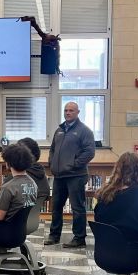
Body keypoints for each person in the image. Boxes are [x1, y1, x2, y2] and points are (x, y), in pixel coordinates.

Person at [44, 102, 95, 248]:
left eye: (71, 110)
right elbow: (53, 149)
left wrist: (73, 164)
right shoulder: (59, 130)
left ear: (78, 112)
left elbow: (89, 152)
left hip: (76, 176)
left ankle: (79, 238)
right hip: (59, 176)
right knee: (56, 207)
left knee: (77, 208)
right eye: (66, 110)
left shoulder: (84, 131)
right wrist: (52, 163)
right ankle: (54, 236)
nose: (68, 113)